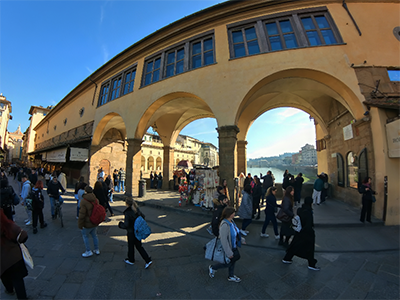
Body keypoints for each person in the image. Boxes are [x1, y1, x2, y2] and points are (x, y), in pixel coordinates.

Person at [282, 196, 319, 270]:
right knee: (309, 249)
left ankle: (287, 258)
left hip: (299, 231)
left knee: (294, 245)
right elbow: (308, 224)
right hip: (306, 233)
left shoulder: (300, 210)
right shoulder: (308, 212)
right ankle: (311, 264)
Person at [0, 208, 29, 300]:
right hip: (14, 257)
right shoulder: (7, 225)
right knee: (18, 279)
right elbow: (23, 236)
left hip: (1, 261)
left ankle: (9, 290)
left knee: (3, 274)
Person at [208, 207, 242, 282]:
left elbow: (236, 232)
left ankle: (231, 275)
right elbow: (224, 240)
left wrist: (241, 240)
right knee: (230, 261)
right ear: (230, 215)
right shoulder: (224, 225)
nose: (234, 214)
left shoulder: (231, 222)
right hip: (229, 248)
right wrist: (229, 252)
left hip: (233, 245)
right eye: (233, 213)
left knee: (233, 260)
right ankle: (214, 267)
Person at [118, 197, 152, 269]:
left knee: (131, 246)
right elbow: (143, 217)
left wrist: (120, 224)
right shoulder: (136, 209)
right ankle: (147, 260)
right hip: (137, 231)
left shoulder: (128, 212)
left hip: (131, 232)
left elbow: (126, 225)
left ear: (126, 204)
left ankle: (131, 260)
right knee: (139, 246)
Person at [78, 186, 100, 258]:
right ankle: (96, 250)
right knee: (94, 235)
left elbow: (82, 214)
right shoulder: (96, 199)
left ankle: (88, 251)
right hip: (95, 221)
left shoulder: (84, 201)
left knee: (85, 236)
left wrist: (80, 224)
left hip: (87, 222)